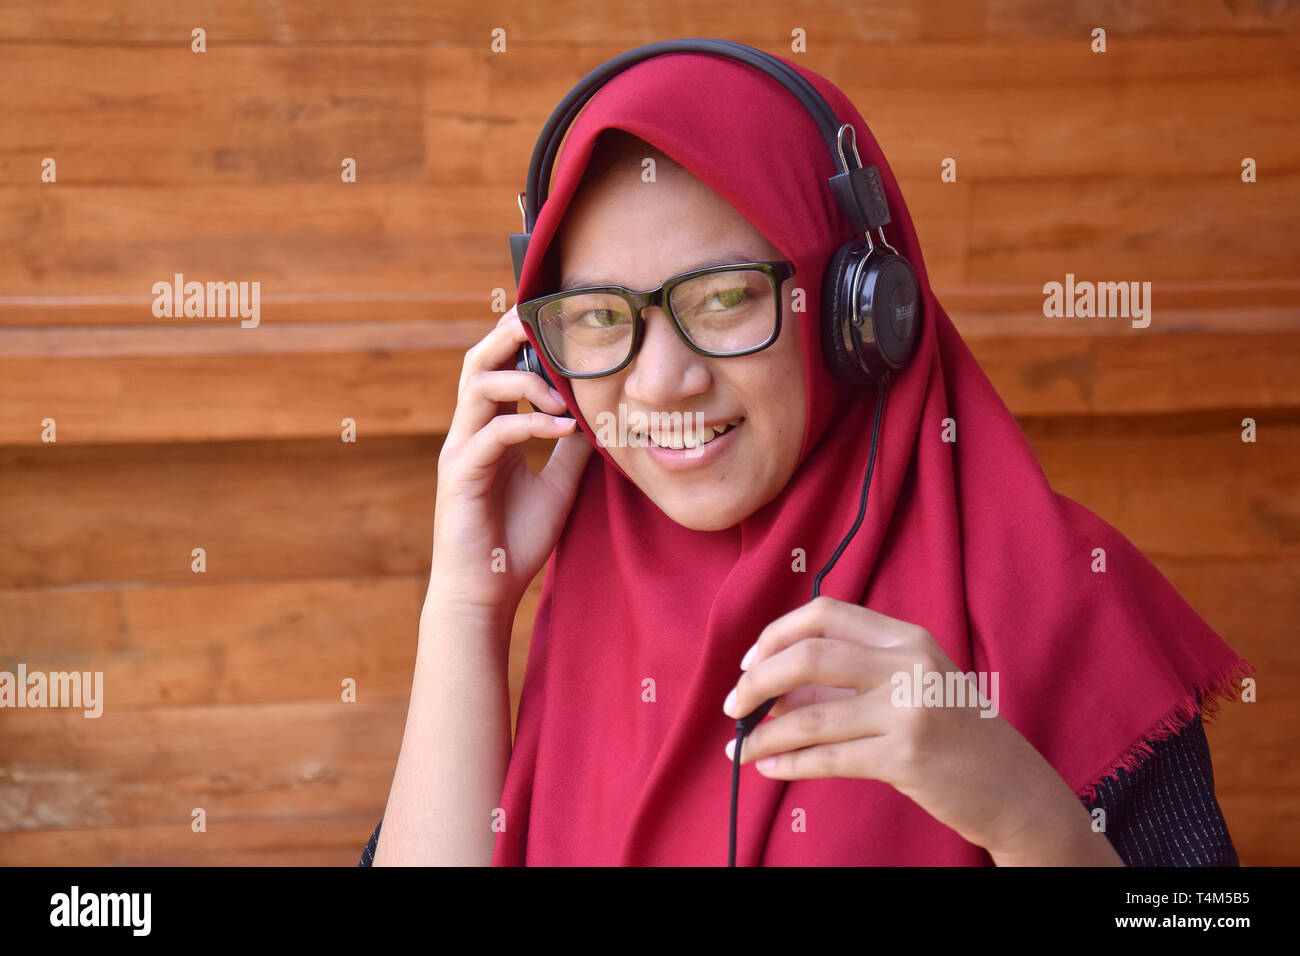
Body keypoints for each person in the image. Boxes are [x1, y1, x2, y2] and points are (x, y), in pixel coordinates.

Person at [363, 49, 1250, 866]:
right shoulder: (575, 594)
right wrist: (467, 607)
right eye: (599, 315)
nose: (661, 383)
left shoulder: (1063, 593)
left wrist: (1024, 813)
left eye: (722, 300)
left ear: (858, 312)